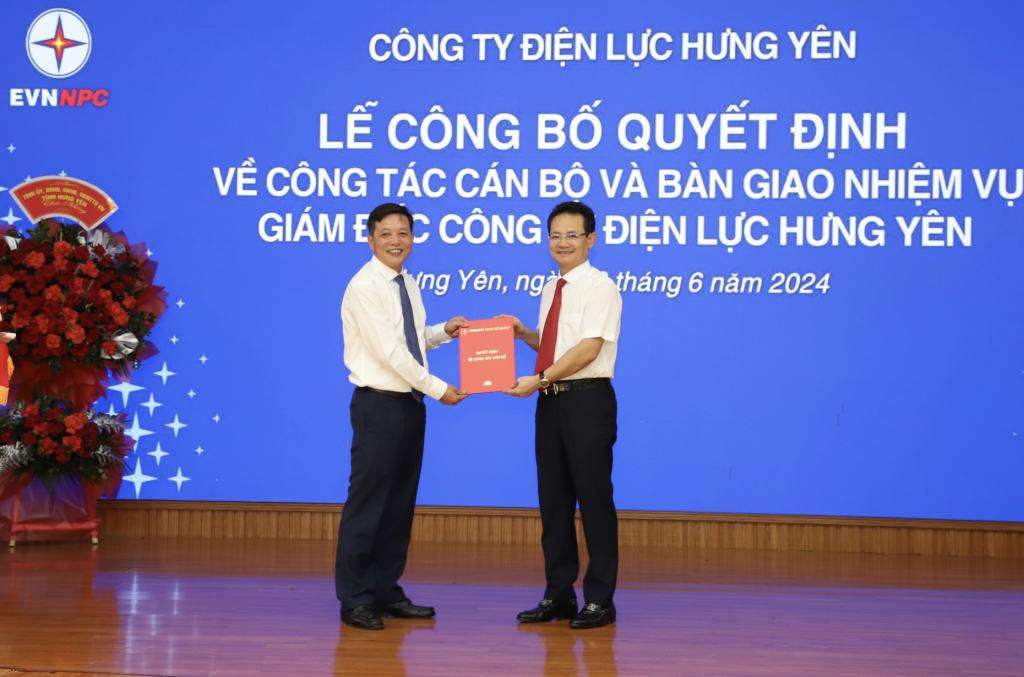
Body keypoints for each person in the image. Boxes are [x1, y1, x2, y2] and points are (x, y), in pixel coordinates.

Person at [336, 202, 469, 630]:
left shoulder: (405, 282)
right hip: (379, 405)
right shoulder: (365, 286)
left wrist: (442, 332)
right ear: (370, 239)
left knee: (397, 506)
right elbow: (390, 354)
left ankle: (385, 591)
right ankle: (355, 598)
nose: (396, 241)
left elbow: (409, 340)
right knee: (368, 503)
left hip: (409, 405)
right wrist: (439, 388)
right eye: (386, 233)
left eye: (403, 233)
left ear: (412, 237)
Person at [502, 201, 622, 630]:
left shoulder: (600, 287)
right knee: (553, 502)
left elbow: (588, 350)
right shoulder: (552, 287)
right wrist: (524, 334)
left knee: (593, 501)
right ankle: (559, 594)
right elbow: (555, 347)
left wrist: (539, 378)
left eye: (572, 235)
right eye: (556, 235)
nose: (563, 242)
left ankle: (600, 601)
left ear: (591, 239)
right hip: (551, 401)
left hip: (587, 401)